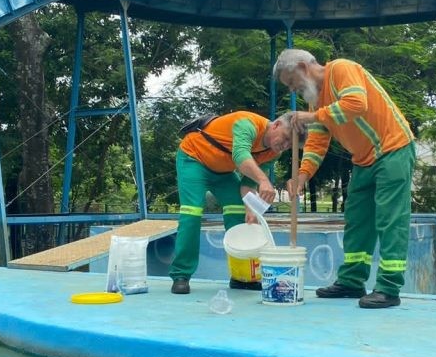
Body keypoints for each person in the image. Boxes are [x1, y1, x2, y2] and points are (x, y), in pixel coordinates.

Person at [274, 48, 416, 309]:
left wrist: (314, 115)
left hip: (393, 148)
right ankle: (351, 281)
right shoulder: (315, 101)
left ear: (304, 68)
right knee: (357, 222)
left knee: (390, 219)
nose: (293, 90)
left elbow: (356, 104)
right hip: (364, 159)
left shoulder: (341, 68)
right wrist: (302, 176)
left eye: (292, 82)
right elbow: (317, 141)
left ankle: (388, 288)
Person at [170, 110, 303, 294]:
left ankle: (241, 277)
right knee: (192, 213)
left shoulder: (273, 152)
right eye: (286, 138)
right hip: (194, 158)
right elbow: (240, 156)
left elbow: (248, 184)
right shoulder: (247, 123)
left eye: (290, 145)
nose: (285, 145)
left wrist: (250, 209)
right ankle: (181, 275)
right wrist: (264, 180)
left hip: (223, 172)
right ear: (277, 125)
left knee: (240, 213)